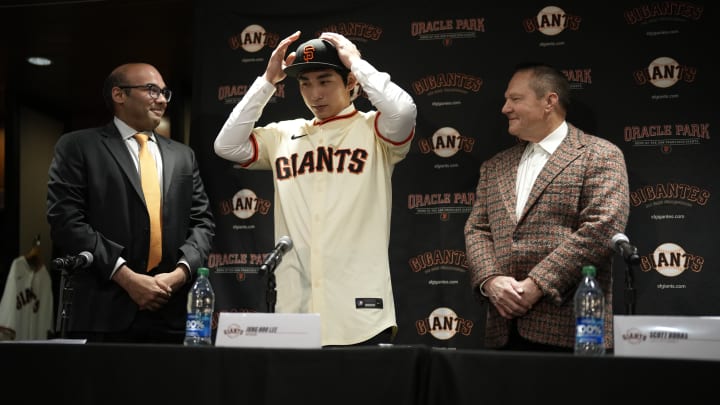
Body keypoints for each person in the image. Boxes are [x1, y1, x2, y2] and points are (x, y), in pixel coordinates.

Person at [214, 31, 416, 346]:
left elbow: (403, 111)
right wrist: (267, 81)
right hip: (295, 312)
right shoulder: (283, 135)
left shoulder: (374, 129)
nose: (314, 94)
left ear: (350, 82)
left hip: (359, 313)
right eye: (305, 83)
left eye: (325, 81)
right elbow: (226, 145)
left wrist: (356, 62)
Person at [464, 62, 630, 352]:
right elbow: (477, 229)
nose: (505, 108)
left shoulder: (600, 155)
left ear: (549, 102)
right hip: (502, 331)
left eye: (515, 99)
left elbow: (603, 227)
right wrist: (490, 281)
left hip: (569, 331)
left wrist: (537, 285)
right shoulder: (495, 166)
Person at [46, 63, 215, 344]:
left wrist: (178, 275)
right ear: (119, 95)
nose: (161, 99)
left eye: (164, 92)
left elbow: (203, 223)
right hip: (103, 313)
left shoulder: (184, 156)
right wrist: (126, 277)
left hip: (171, 310)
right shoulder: (78, 146)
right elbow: (65, 221)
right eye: (151, 90)